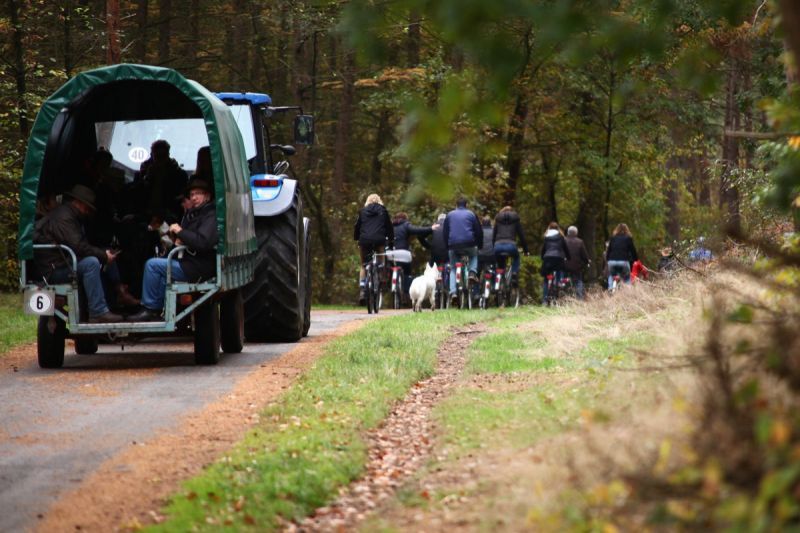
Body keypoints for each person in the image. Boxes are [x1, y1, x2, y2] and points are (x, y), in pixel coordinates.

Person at [127, 178, 218, 322]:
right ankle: (159, 310)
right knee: (161, 271)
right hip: (188, 261)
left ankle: (149, 309)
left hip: (198, 266)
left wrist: (180, 232)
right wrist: (178, 238)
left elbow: (203, 242)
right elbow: (191, 237)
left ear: (207, 196)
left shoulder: (211, 215)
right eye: (192, 194)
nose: (194, 197)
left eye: (198, 194)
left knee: (152, 265)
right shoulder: (194, 213)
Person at [33, 184, 124, 322]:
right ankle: (98, 311)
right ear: (79, 203)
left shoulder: (68, 215)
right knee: (91, 263)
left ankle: (118, 294)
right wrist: (103, 256)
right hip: (54, 270)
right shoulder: (65, 217)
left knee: (101, 255)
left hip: (62, 264)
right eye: (87, 208)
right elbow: (78, 246)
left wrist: (104, 254)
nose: (87, 212)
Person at [134, 139, 189, 222]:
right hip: (147, 212)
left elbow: (181, 196)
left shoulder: (178, 174)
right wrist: (147, 177)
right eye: (158, 156)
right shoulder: (145, 171)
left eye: (163, 156)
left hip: (168, 212)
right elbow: (137, 194)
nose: (160, 160)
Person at [353, 193, 394, 305]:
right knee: (381, 260)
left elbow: (357, 226)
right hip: (379, 240)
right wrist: (391, 240)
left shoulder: (362, 211)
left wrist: (356, 238)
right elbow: (389, 227)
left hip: (364, 241)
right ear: (379, 201)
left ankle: (362, 290)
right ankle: (380, 279)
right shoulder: (383, 211)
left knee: (363, 265)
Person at [443, 197, 482, 299]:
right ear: (466, 205)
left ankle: (453, 292)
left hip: (453, 245)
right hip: (469, 244)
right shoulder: (471, 214)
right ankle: (472, 273)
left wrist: (447, 246)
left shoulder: (449, 215)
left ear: (456, 205)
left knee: (453, 268)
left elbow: (445, 232)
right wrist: (479, 244)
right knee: (474, 255)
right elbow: (478, 231)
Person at [392, 212, 433, 301]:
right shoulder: (405, 225)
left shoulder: (390, 226)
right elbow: (417, 230)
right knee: (407, 272)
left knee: (391, 267)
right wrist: (431, 228)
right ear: (405, 219)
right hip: (403, 253)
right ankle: (406, 293)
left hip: (391, 253)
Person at [493, 206, 529, 285]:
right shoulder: (515, 220)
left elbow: (494, 235)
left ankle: (496, 282)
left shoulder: (498, 219)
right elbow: (521, 236)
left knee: (498, 262)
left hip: (498, 246)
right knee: (516, 257)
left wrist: (493, 247)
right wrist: (526, 250)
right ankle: (514, 273)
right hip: (511, 246)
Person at [540, 222, 570, 302]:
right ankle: (558, 290)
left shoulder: (546, 237)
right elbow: (565, 249)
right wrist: (568, 257)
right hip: (558, 258)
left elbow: (543, 249)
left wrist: (542, 257)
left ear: (549, 228)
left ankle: (544, 300)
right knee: (559, 274)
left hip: (548, 258)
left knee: (546, 279)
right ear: (558, 229)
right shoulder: (561, 237)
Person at [606, 223, 638, 289]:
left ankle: (610, 288)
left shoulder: (612, 238)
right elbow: (633, 251)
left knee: (611, 275)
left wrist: (608, 260)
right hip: (623, 261)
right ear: (627, 230)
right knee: (627, 278)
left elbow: (608, 251)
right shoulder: (628, 238)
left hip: (612, 261)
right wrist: (635, 260)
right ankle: (627, 291)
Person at [564, 225, 589, 299]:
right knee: (578, 281)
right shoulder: (580, 242)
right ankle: (579, 298)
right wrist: (586, 262)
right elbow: (584, 255)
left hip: (564, 265)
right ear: (576, 233)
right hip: (576, 266)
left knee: (563, 280)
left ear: (568, 233)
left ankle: (562, 296)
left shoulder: (563, 240)